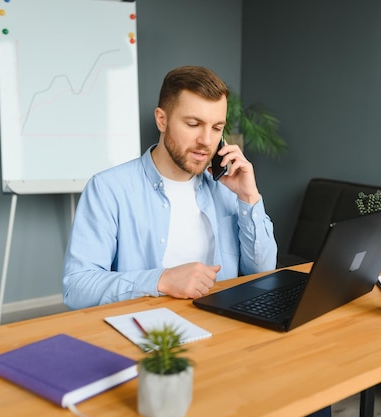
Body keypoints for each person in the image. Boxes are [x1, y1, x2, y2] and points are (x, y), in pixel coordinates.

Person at [63, 65, 278, 310]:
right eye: (193, 124)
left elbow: (262, 272)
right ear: (162, 120)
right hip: (147, 328)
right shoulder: (107, 189)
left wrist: (248, 197)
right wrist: (161, 280)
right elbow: (77, 289)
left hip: (222, 322)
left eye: (217, 128)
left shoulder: (228, 188)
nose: (206, 141)